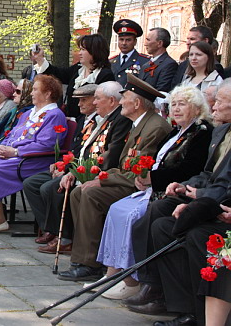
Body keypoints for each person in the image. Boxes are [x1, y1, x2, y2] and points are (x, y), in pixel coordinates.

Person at [94, 85, 213, 300]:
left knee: (134, 217)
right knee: (117, 208)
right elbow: (157, 161)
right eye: (173, 104)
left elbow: (190, 168)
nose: (176, 109)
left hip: (172, 190)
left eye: (182, 104)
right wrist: (144, 177)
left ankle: (135, 280)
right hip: (154, 187)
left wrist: (152, 179)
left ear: (196, 108)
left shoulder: (201, 132)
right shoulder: (177, 131)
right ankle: (113, 273)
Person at [124, 78, 231, 316]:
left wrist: (199, 197)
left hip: (218, 205)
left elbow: (223, 184)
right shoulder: (222, 131)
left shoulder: (204, 131)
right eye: (173, 104)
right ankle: (160, 289)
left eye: (220, 102)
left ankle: (189, 309)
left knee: (183, 228)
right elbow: (205, 173)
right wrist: (184, 187)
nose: (213, 106)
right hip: (205, 198)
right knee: (161, 220)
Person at [57, 74, 172, 281]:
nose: (121, 102)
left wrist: (102, 180)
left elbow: (138, 172)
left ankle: (90, 263)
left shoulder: (154, 127)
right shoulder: (140, 123)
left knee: (91, 193)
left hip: (138, 186)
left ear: (136, 103)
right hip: (125, 178)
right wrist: (101, 176)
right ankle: (84, 256)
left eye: (124, 97)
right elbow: (123, 165)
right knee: (78, 193)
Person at [26, 81, 131, 254]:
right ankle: (51, 230)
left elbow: (108, 156)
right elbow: (78, 149)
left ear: (111, 101)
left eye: (94, 99)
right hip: (77, 168)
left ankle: (64, 236)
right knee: (32, 183)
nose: (92, 103)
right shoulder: (97, 118)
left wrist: (72, 171)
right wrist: (65, 166)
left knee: (51, 188)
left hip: (91, 173)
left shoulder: (117, 121)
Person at [0, 74, 67, 233]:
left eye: (35, 90)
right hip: (14, 155)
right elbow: (13, 133)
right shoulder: (29, 113)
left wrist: (16, 151)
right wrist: (2, 146)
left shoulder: (54, 115)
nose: (31, 93)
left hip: (31, 160)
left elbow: (45, 144)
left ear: (47, 94)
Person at [32, 34, 115, 118]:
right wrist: (40, 59)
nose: (79, 53)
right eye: (80, 49)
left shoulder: (105, 75)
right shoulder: (78, 69)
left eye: (83, 49)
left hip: (90, 122)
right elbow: (58, 74)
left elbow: (103, 105)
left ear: (94, 51)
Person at [110, 19, 149, 87]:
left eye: (128, 40)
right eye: (121, 40)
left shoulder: (145, 61)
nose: (124, 43)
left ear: (135, 42)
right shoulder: (111, 61)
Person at [138, 27, 178, 92]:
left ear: (159, 43)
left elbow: (162, 91)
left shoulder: (169, 65)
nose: (145, 44)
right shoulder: (146, 65)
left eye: (148, 40)